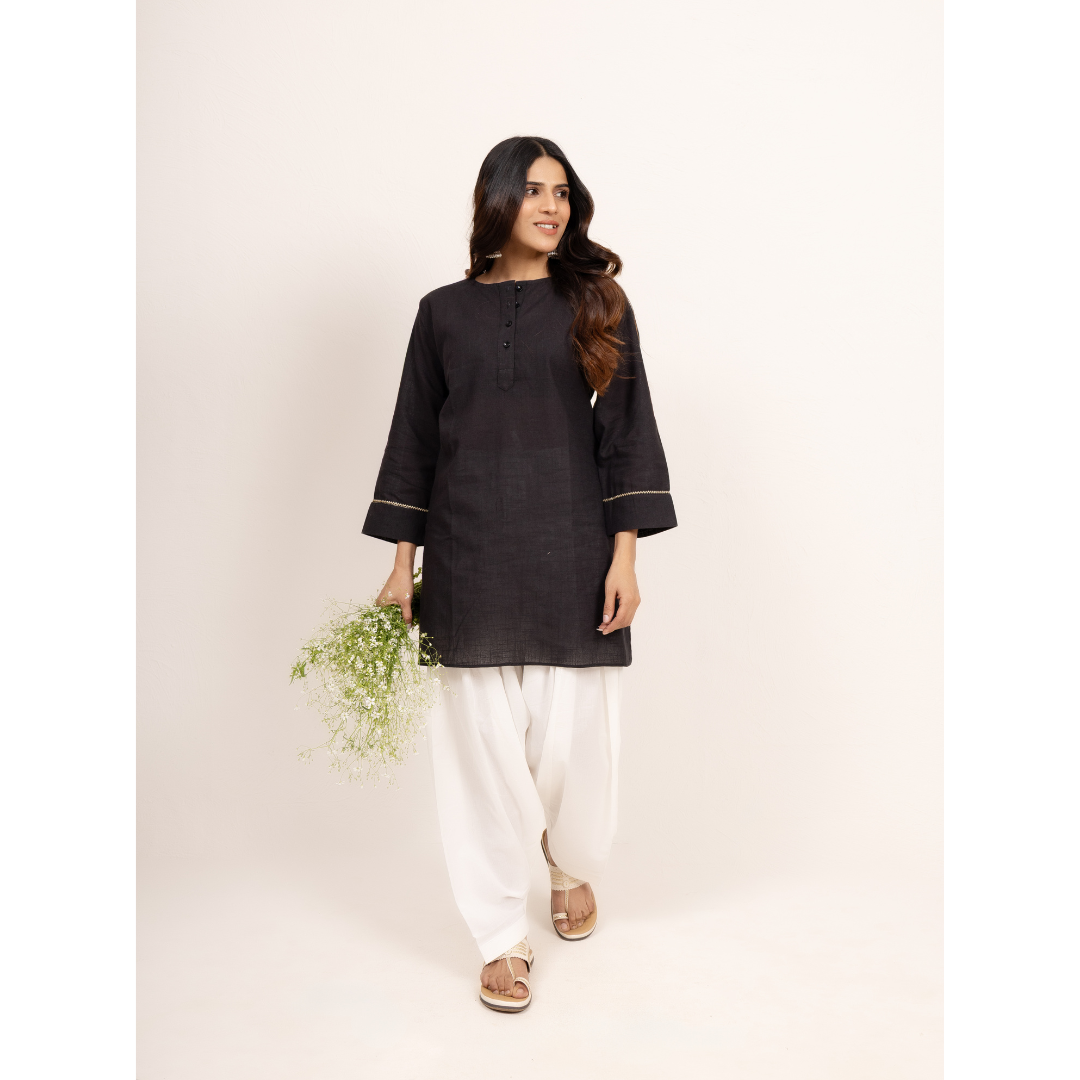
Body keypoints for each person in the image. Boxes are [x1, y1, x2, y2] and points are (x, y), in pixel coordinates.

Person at [363, 136, 676, 1011]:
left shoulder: (597, 302)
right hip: (466, 553)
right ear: (497, 200)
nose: (551, 206)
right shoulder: (441, 313)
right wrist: (401, 567)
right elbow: (413, 441)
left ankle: (568, 862)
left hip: (573, 550)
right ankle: (500, 933)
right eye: (534, 190)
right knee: (478, 755)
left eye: (562, 193)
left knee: (573, 747)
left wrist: (625, 555)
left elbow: (627, 432)